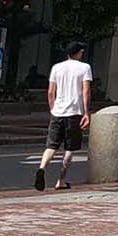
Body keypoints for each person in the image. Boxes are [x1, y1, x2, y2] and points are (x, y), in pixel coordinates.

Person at [35, 42, 92, 192]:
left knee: (51, 145)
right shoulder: (85, 68)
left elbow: (50, 92)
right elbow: (86, 91)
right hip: (74, 112)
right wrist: (86, 112)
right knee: (70, 148)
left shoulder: (56, 68)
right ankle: (61, 180)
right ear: (79, 53)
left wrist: (53, 108)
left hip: (58, 112)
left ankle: (42, 168)